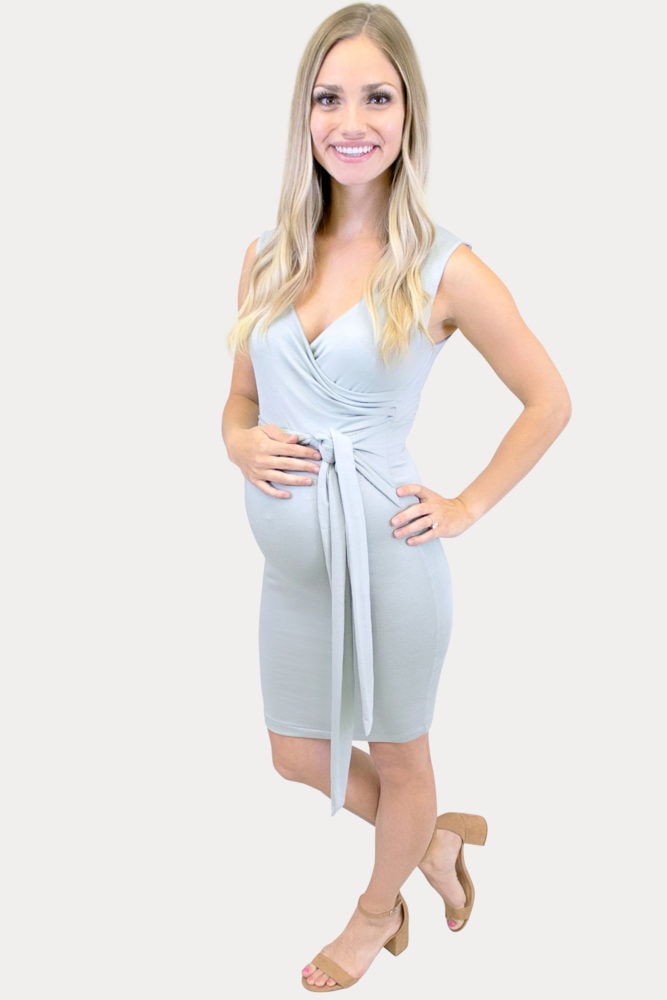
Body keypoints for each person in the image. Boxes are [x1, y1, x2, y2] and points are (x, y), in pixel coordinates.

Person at [222, 3, 571, 991]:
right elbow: (239, 400)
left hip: (391, 560)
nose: (351, 122)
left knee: (401, 757)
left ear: (408, 112)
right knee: (296, 752)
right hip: (292, 574)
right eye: (329, 98)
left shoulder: (445, 267)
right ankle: (432, 840)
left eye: (377, 97)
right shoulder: (267, 253)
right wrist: (239, 441)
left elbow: (549, 400)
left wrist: (464, 506)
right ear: (303, 114)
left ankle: (378, 912)